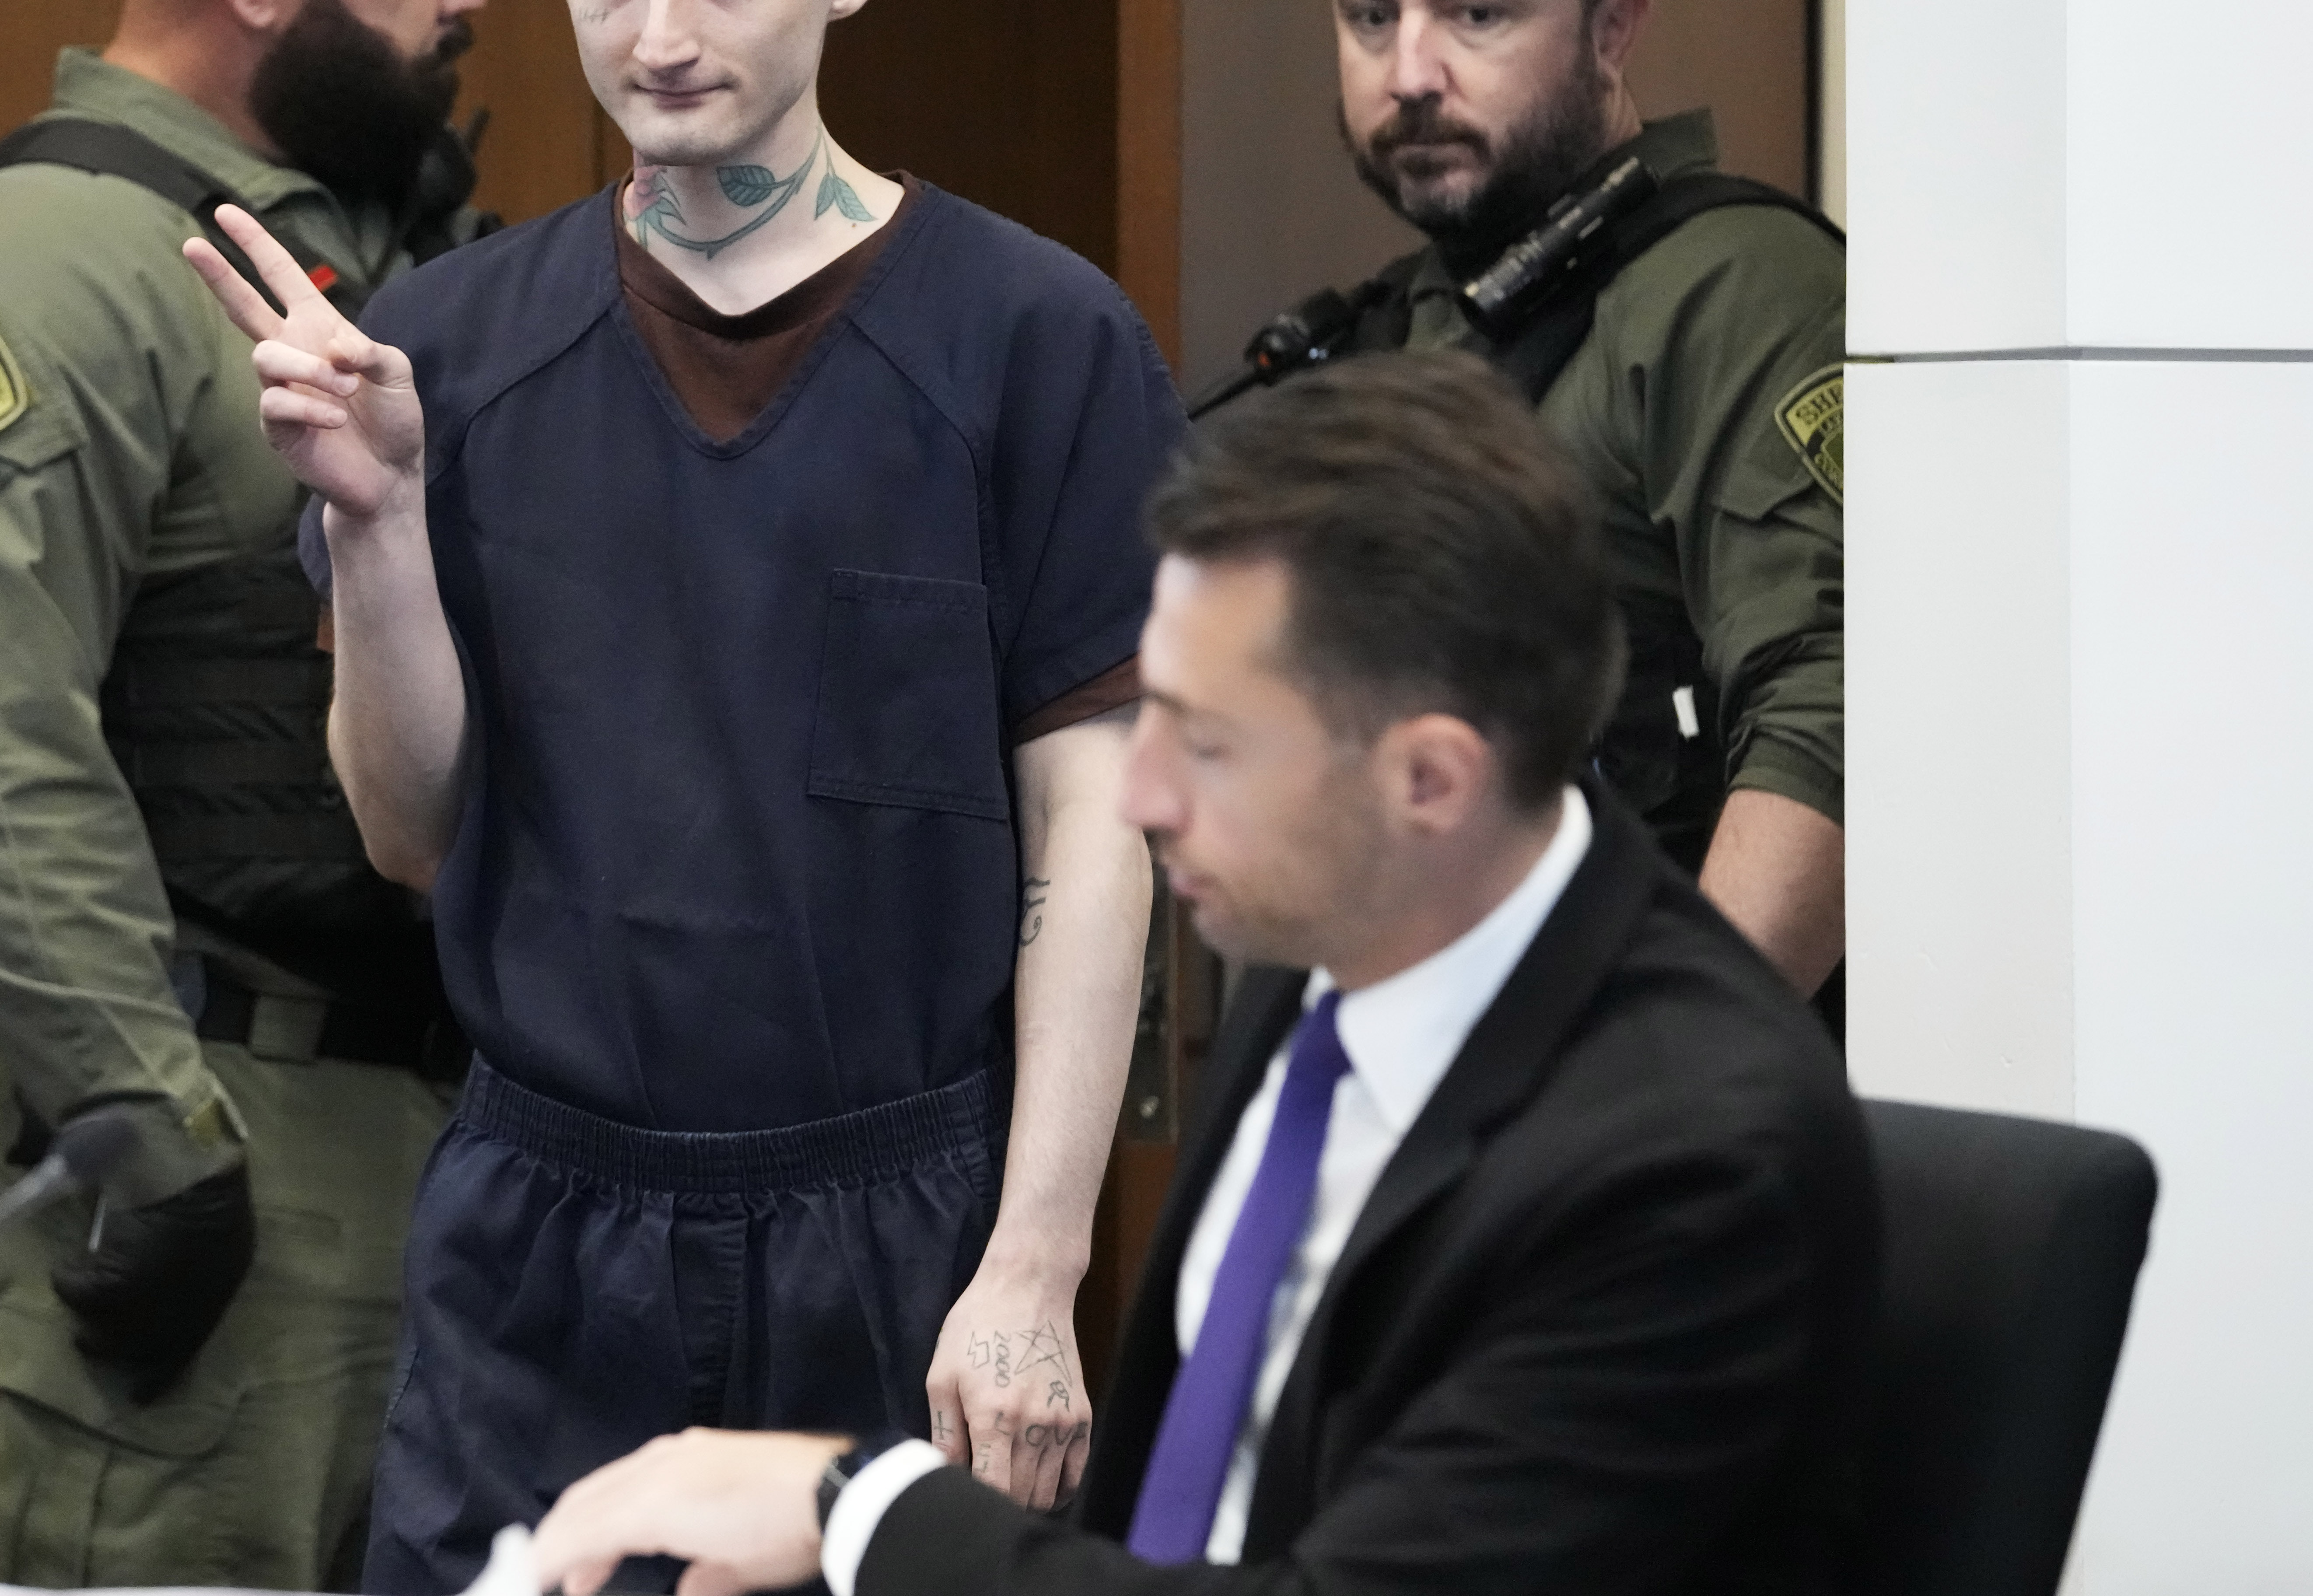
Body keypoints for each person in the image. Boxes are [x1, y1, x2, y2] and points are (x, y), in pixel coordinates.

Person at [187, 0, 1186, 1595]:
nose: (663, 33)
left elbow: (1096, 831)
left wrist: (1036, 1264)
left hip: (899, 1229)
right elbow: (408, 836)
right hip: (538, 1232)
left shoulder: (1032, 341)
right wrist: (381, 524)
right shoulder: (451, 349)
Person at [520, 350, 1876, 1596]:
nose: (1143, 795)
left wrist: (853, 1506)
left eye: (1207, 743)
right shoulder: (1331, 941)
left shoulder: (1688, 1167)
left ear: (1430, 779)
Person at [0, 0, 494, 1590]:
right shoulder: (46, 267)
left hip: (423, 1120)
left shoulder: (359, 232)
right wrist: (150, 1132)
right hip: (223, 1121)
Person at [1237, 0, 1848, 1014]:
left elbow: (1831, 711)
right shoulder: (1409, 323)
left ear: (1613, 30)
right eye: (1369, 17)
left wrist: (1656, 1094)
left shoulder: (1731, 289)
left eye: (1476, 14)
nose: (1411, 73)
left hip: (1630, 1112)